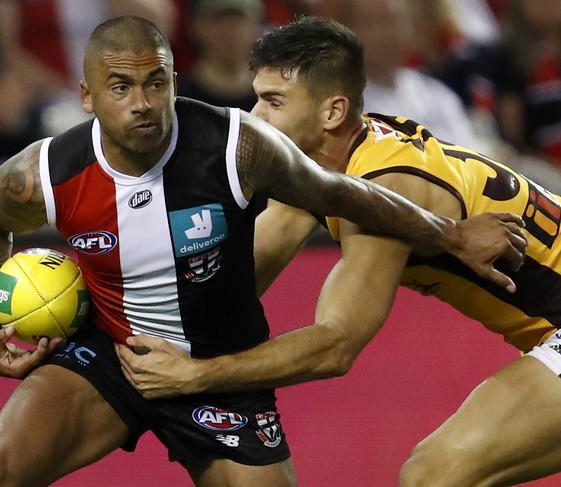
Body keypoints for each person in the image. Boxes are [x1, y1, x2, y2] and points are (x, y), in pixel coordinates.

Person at [0, 15, 525, 487]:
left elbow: (348, 195)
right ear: (86, 96)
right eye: (120, 87)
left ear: (174, 81)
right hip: (112, 355)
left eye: (156, 83)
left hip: (221, 370)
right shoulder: (43, 174)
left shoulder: (238, 147)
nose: (142, 103)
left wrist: (448, 235)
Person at [116, 17, 561, 486]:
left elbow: (336, 344)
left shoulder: (384, 185)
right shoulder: (327, 171)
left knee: (436, 475)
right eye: (257, 97)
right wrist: (106, 328)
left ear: (331, 112)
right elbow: (234, 283)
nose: (254, 117)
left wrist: (196, 375)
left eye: (274, 102)